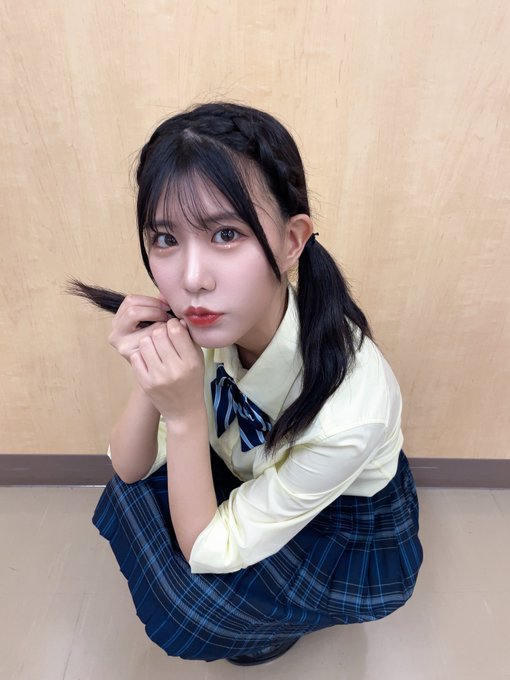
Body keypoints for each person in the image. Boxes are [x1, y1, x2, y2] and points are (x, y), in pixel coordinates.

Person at [76, 101, 423, 665]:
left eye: (226, 233)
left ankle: (280, 619)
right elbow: (129, 467)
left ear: (292, 241)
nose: (192, 279)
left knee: (192, 602)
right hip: (247, 460)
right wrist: (150, 367)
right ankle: (262, 609)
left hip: (339, 522)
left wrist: (184, 416)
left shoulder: (351, 409)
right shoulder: (212, 323)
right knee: (133, 494)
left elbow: (205, 549)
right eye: (165, 239)